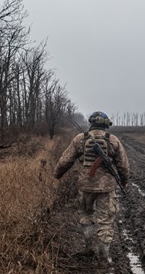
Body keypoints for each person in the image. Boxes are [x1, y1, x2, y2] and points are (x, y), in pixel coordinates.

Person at [54, 111, 130, 263]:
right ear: (106, 125)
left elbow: (65, 161)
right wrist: (124, 180)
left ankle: (89, 248)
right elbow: (123, 165)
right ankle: (103, 257)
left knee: (86, 216)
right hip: (106, 188)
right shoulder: (113, 140)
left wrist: (57, 175)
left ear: (91, 123)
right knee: (105, 222)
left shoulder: (80, 139)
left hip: (85, 186)